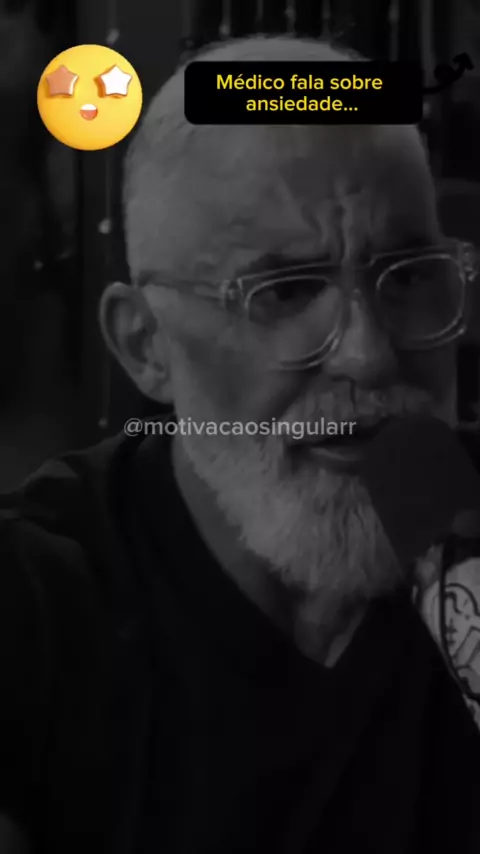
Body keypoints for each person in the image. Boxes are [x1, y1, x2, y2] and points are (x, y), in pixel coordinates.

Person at [1, 35, 480, 854]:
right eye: (285, 291)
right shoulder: (33, 605)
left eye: (406, 275)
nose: (370, 354)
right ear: (146, 344)